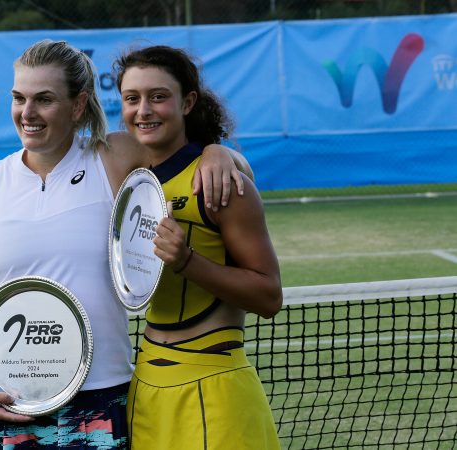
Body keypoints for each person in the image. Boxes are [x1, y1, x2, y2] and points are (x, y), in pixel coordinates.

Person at [0, 39, 251, 450]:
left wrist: (220, 153)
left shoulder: (115, 157)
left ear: (78, 105)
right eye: (18, 98)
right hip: (8, 400)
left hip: (101, 400)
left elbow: (187, 155)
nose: (28, 113)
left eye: (44, 99)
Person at [114, 46, 282, 450]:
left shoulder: (220, 182)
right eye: (131, 98)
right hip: (145, 390)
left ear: (187, 102)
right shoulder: (132, 182)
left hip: (214, 387)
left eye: (158, 96)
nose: (143, 110)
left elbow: (269, 296)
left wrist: (187, 261)